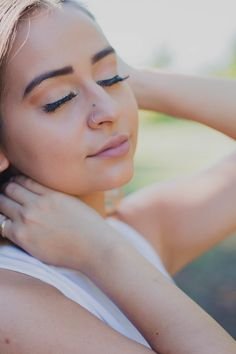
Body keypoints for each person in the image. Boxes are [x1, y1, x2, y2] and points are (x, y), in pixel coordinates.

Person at [0, 0, 235, 353]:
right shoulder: (11, 304)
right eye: (59, 99)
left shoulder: (134, 231)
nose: (109, 111)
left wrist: (137, 82)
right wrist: (104, 255)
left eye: (111, 78)